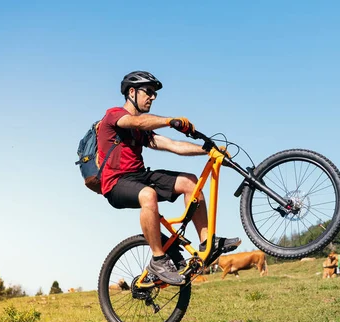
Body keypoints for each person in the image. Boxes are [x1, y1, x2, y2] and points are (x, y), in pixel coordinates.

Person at [98, 71, 240, 285]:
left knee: (190, 181)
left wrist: (208, 151)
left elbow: (174, 146)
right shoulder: (115, 115)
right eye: (149, 92)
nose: (153, 97)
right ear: (131, 92)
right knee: (148, 194)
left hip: (139, 176)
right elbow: (138, 122)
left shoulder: (142, 132)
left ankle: (206, 243)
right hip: (115, 183)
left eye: (155, 94)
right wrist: (169, 121)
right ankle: (157, 258)